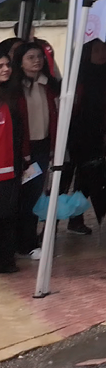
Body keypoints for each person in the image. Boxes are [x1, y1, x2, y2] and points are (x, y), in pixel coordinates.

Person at [68, 38, 106, 234]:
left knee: (85, 179)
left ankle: (76, 219)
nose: (101, 54)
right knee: (64, 179)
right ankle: (50, 224)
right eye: (96, 50)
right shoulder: (78, 75)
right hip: (74, 134)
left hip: (98, 135)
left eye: (104, 50)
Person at [9, 42, 58, 253]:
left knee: (34, 197)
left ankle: (27, 243)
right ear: (19, 62)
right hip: (20, 150)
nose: (37, 60)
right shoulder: (14, 88)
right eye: (31, 57)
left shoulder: (49, 85)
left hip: (42, 147)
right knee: (18, 198)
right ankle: (18, 243)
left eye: (39, 56)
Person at [0, 55, 22, 271]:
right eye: (0, 66)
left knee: (7, 216)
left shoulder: (11, 97)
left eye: (8, 65)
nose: (6, 69)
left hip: (9, 169)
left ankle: (6, 261)